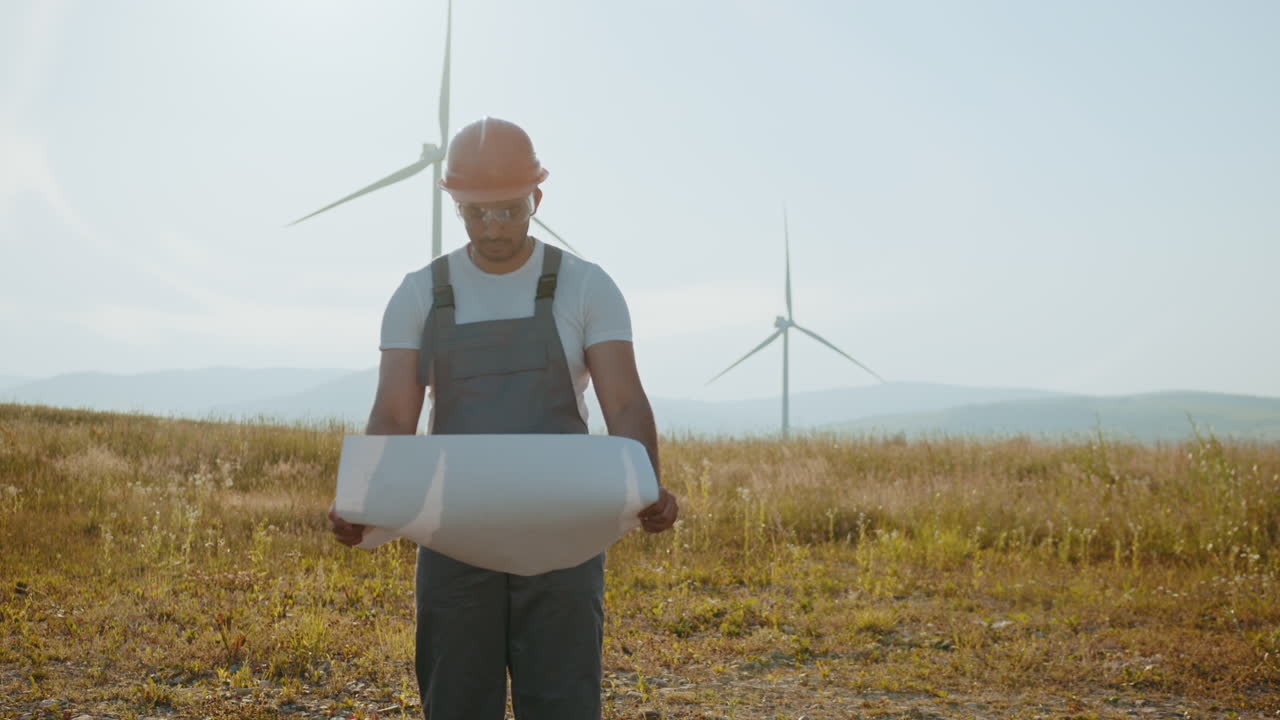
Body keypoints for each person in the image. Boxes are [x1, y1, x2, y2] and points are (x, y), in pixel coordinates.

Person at [328, 116, 678, 720]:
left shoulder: (585, 286)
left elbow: (623, 401)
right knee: (456, 700)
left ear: (536, 198)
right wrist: (362, 499)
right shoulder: (420, 292)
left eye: (509, 210)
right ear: (455, 205)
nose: (492, 227)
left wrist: (647, 485)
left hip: (566, 528)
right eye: (475, 213)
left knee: (563, 703)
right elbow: (393, 412)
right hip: (452, 529)